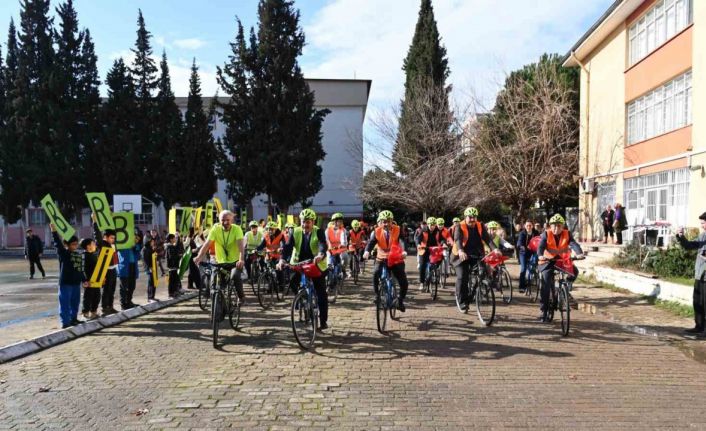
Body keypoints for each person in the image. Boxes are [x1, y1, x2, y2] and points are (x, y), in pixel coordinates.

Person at [279, 209, 330, 329]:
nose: (305, 225)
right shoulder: (295, 231)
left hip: (315, 264)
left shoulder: (319, 231)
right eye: (302, 222)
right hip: (298, 263)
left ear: (313, 222)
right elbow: (287, 248)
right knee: (292, 281)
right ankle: (301, 298)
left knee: (321, 293)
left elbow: (323, 244)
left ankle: (323, 321)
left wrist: (321, 254)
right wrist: (282, 259)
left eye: (307, 222)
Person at [537, 214, 584, 322]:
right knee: (546, 283)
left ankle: (565, 289)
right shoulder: (546, 234)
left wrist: (579, 253)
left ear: (563, 226)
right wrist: (540, 255)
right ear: (550, 226)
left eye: (559, 226)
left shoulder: (567, 234)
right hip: (547, 261)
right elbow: (541, 246)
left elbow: (573, 244)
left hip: (561, 261)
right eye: (554, 226)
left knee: (575, 271)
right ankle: (543, 310)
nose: (556, 228)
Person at [193, 210, 246, 302]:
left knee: (235, 276)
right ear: (219, 220)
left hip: (235, 262)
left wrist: (241, 259)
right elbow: (206, 244)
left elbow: (241, 247)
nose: (225, 222)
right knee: (216, 285)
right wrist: (199, 256)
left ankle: (241, 296)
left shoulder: (237, 229)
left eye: (227, 220)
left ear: (232, 220)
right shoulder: (215, 229)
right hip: (220, 262)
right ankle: (219, 306)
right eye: (222, 220)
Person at [452, 207, 499, 311]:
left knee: (483, 271)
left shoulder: (480, 225)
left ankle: (478, 290)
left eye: (474, 217)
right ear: (465, 217)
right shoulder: (459, 226)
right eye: (470, 217)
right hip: (460, 255)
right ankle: (462, 301)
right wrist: (460, 250)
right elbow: (458, 239)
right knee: (462, 276)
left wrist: (495, 249)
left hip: (476, 253)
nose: (472, 220)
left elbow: (488, 239)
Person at [363, 210, 409, 312]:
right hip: (381, 257)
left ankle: (399, 301)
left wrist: (404, 251)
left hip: (395, 258)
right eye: (384, 221)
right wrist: (367, 251)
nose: (386, 224)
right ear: (380, 221)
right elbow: (371, 243)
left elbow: (402, 241)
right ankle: (377, 296)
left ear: (392, 221)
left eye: (388, 221)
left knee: (404, 283)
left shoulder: (397, 229)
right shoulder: (377, 231)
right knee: (375, 273)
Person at [50, 224, 88, 329]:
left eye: (76, 244)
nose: (75, 246)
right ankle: (65, 322)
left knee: (75, 303)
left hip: (76, 283)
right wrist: (54, 231)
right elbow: (58, 244)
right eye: (73, 244)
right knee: (65, 303)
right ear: (67, 244)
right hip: (65, 283)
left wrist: (84, 280)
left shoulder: (78, 255)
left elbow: (80, 269)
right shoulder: (64, 254)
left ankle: (73, 319)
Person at [675, 212, 706, 337]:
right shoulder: (703, 236)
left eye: (703, 223)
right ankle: (699, 327)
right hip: (700, 275)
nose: (702, 226)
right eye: (701, 223)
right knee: (697, 302)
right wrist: (681, 236)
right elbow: (689, 246)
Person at [92, 214, 119, 315]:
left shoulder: (112, 244)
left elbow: (113, 231)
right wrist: (94, 221)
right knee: (106, 289)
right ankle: (104, 308)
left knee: (112, 289)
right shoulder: (102, 243)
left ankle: (110, 306)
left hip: (113, 269)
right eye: (111, 238)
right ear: (105, 237)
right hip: (105, 270)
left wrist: (111, 219)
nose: (113, 239)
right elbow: (97, 235)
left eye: (114, 238)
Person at [416, 217, 442, 290]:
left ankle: (434, 273)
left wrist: (444, 244)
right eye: (430, 225)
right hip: (424, 249)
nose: (432, 226)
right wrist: (418, 244)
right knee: (422, 266)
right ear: (427, 224)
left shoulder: (437, 231)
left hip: (434, 249)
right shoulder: (423, 230)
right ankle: (422, 283)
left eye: (433, 225)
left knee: (439, 259)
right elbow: (418, 239)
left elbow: (441, 239)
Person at [117, 232, 141, 310]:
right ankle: (123, 304)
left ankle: (129, 301)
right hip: (124, 267)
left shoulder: (135, 246)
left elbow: (138, 256)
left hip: (133, 266)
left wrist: (135, 247)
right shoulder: (122, 245)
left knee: (132, 286)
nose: (135, 239)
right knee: (124, 287)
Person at [516, 220, 540, 293]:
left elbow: (540, 240)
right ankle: (521, 286)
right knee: (523, 269)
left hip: (532, 252)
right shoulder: (522, 233)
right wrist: (523, 247)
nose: (529, 227)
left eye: (530, 225)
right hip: (523, 252)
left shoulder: (536, 232)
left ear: (532, 226)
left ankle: (532, 273)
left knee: (536, 259)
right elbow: (519, 243)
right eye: (527, 226)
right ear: (525, 226)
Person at [80, 238, 100, 320]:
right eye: (93, 243)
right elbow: (82, 269)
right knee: (88, 297)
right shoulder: (84, 256)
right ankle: (85, 313)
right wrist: (85, 280)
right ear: (88, 246)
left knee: (97, 296)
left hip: (96, 280)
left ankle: (94, 312)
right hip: (89, 281)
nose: (95, 245)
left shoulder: (94, 255)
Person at [326, 212, 349, 278]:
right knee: (329, 264)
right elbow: (326, 239)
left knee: (345, 257)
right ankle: (328, 278)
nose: (341, 223)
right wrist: (329, 246)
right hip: (330, 249)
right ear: (334, 222)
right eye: (339, 221)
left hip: (340, 248)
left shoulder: (343, 230)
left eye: (341, 221)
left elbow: (343, 239)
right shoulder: (327, 230)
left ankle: (343, 270)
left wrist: (343, 244)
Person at [165, 234, 182, 299]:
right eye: (174, 238)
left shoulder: (172, 246)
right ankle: (171, 293)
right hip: (172, 266)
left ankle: (174, 292)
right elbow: (171, 256)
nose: (175, 239)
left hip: (174, 265)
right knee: (172, 280)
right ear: (171, 239)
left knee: (175, 279)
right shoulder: (169, 247)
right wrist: (179, 256)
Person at [142, 236, 158, 303]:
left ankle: (153, 296)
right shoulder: (145, 249)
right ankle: (150, 297)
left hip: (154, 267)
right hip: (150, 268)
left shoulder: (151, 248)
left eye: (153, 241)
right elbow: (145, 260)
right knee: (150, 282)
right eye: (152, 241)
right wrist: (149, 267)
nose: (153, 242)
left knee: (154, 282)